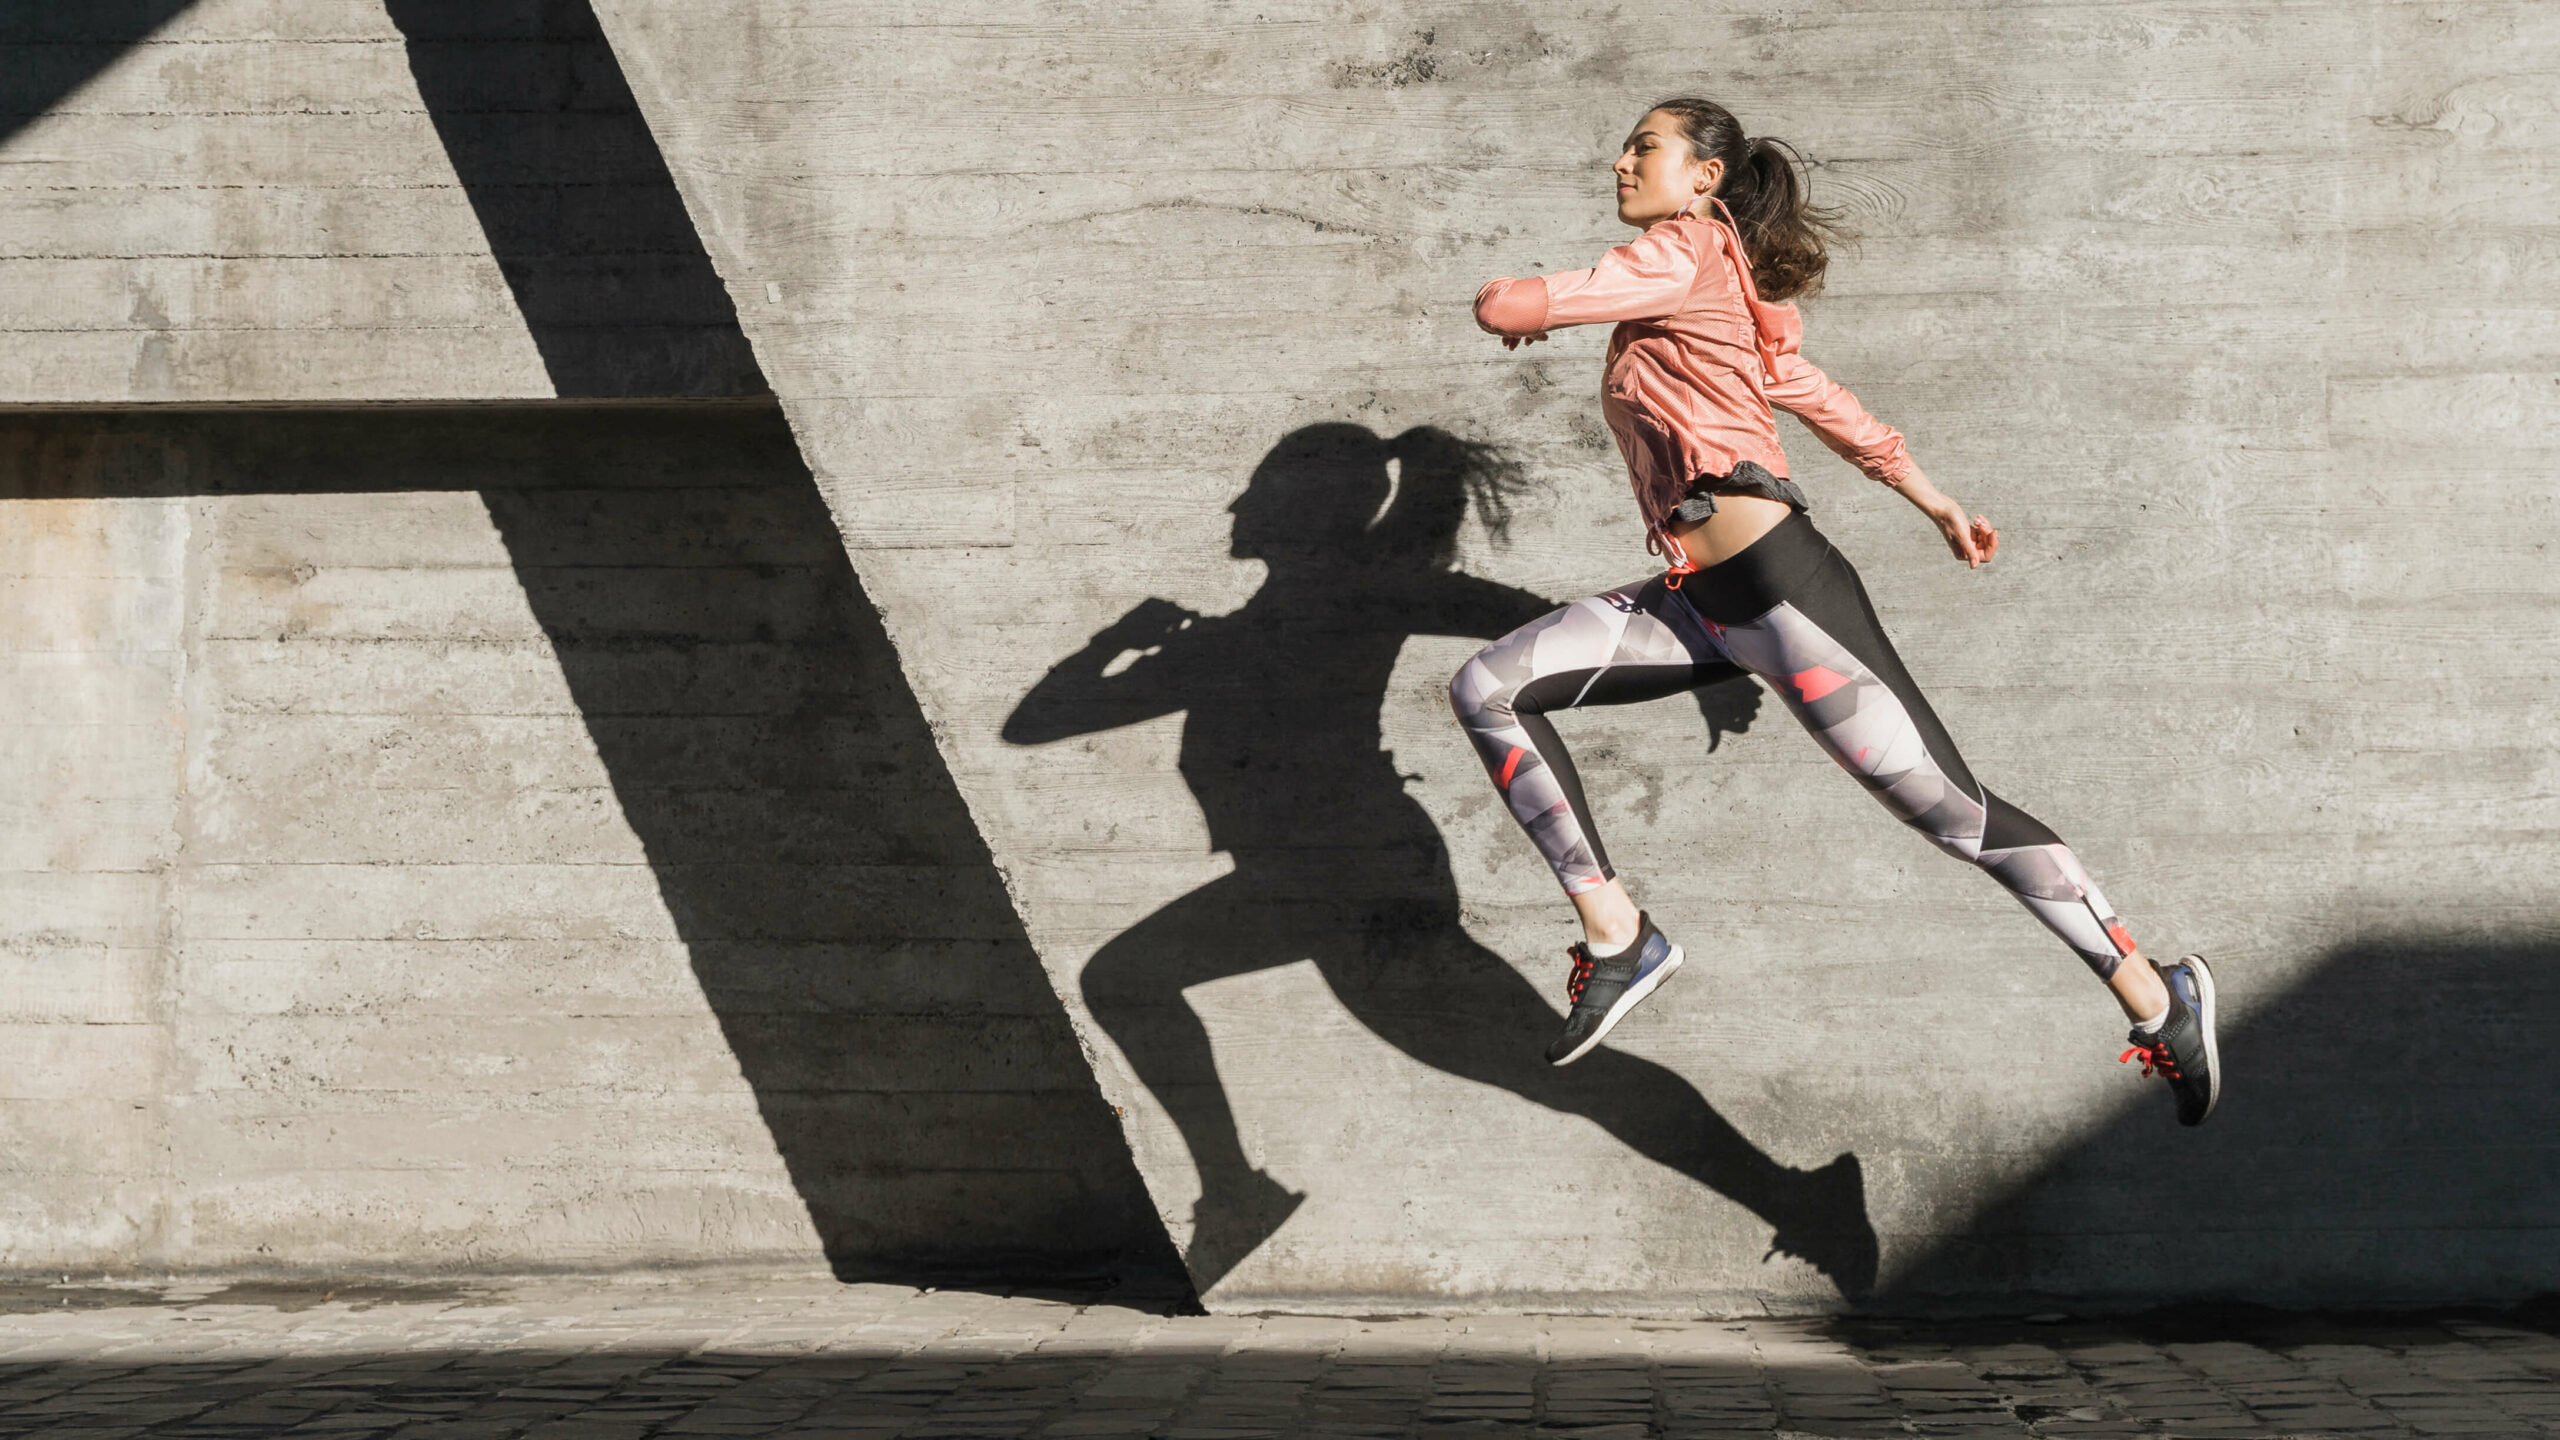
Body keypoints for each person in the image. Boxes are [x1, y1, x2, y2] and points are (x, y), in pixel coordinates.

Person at [1454, 97, 2220, 1125]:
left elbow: (1505, 306)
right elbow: (1812, 392)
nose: (1620, 163)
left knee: (1956, 815)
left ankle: (2157, 995)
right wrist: (1932, 496)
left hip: (1783, 595)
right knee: (1488, 687)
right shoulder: (1701, 295)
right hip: (1701, 603)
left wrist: (1525, 304)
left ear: (1704, 178)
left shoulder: (1686, 250)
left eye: (1644, 147)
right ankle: (1619, 935)